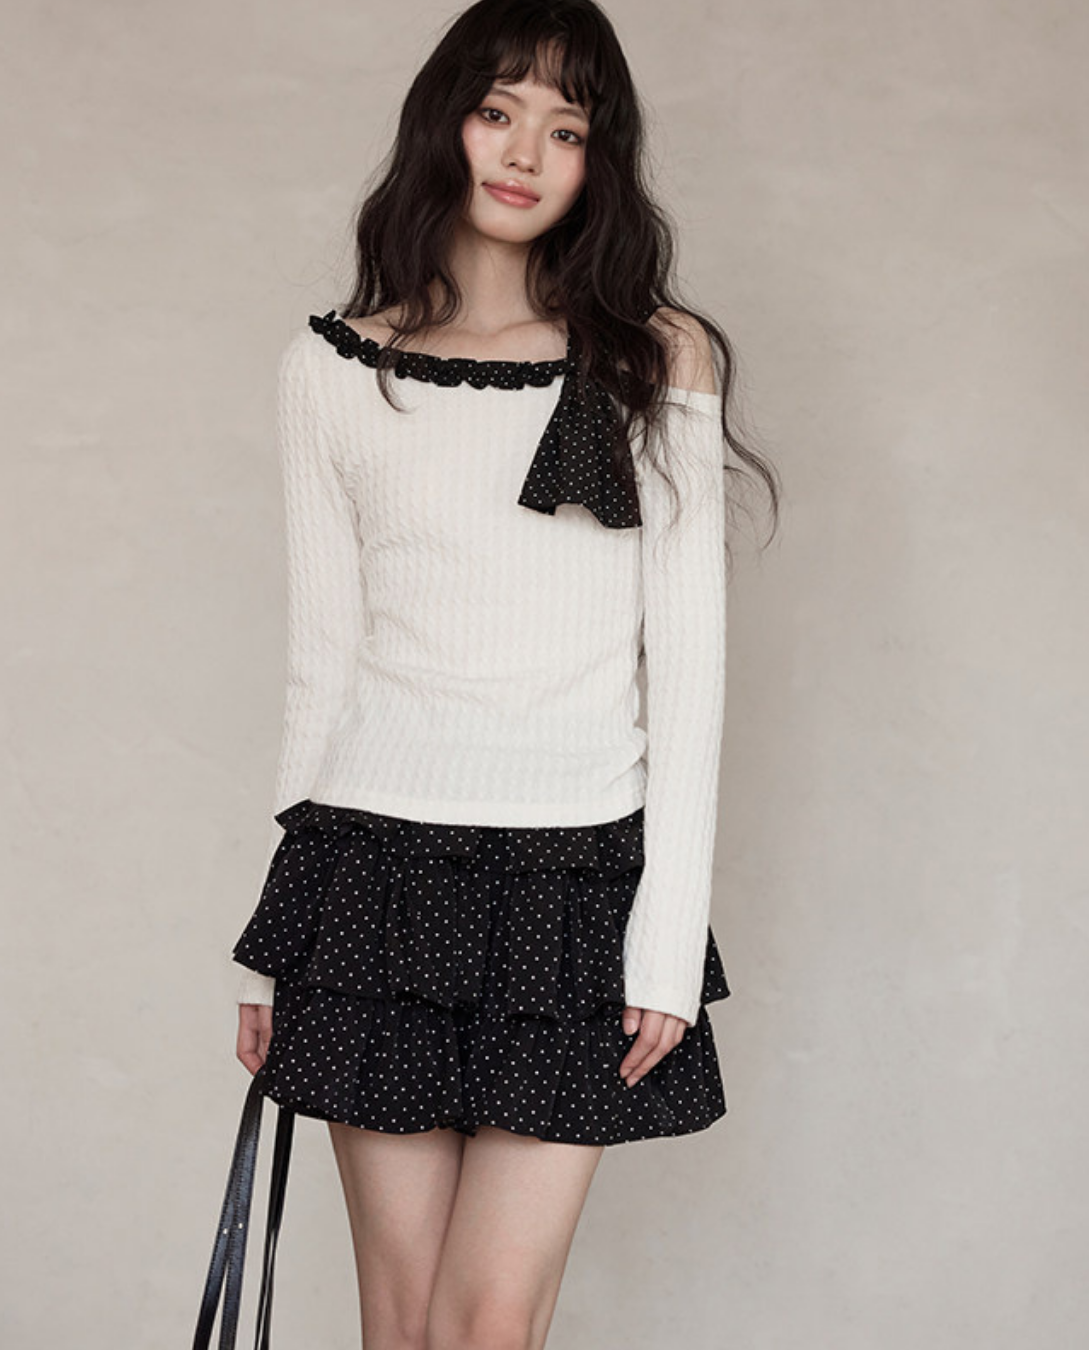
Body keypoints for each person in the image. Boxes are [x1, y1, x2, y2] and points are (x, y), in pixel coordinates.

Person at [230, 1, 780, 1346]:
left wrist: (665, 936)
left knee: (488, 1323)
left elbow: (689, 673)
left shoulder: (653, 359)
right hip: (369, 877)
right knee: (401, 1321)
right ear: (447, 124)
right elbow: (320, 668)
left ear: (601, 159)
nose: (526, 152)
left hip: (573, 882)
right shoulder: (331, 369)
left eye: (566, 127)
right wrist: (268, 952)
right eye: (498, 111)